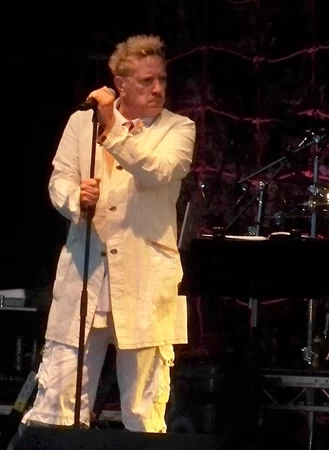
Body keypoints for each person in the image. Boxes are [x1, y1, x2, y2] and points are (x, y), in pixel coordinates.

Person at [21, 34, 196, 433]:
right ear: (121, 84)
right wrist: (75, 199)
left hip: (144, 278)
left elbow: (158, 171)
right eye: (147, 81)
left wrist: (113, 129)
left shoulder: (179, 128)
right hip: (86, 273)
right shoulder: (80, 123)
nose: (158, 88)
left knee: (144, 409)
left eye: (162, 79)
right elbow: (60, 180)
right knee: (58, 402)